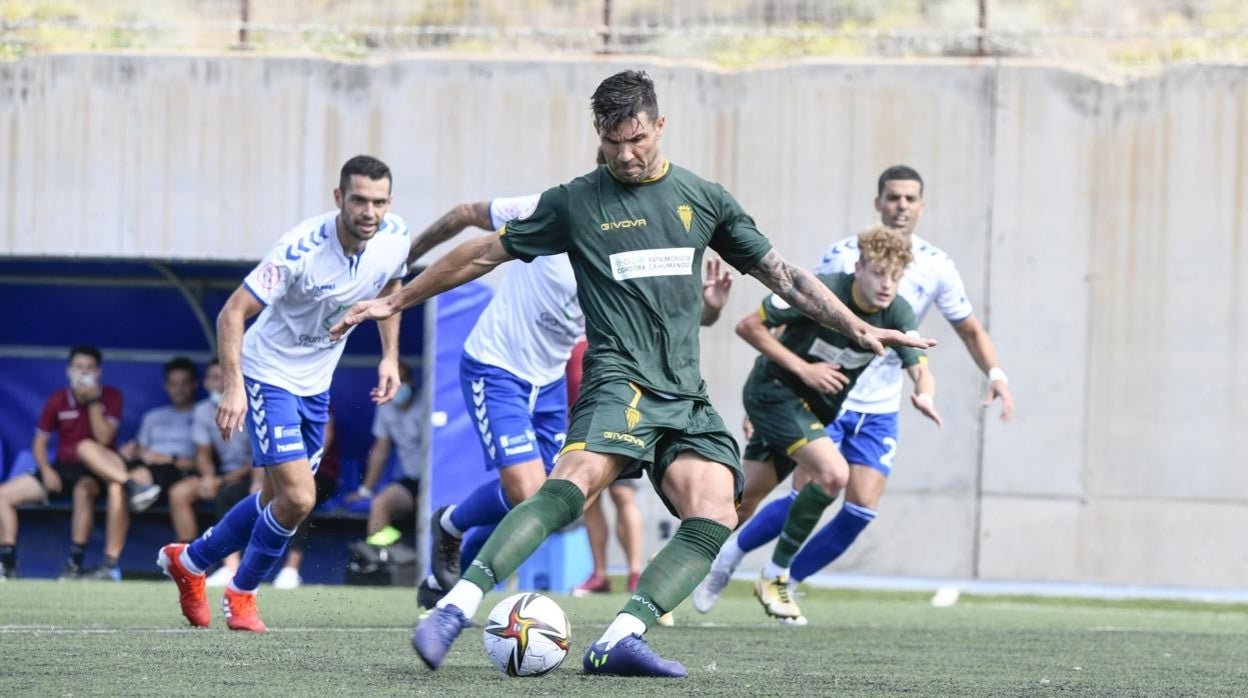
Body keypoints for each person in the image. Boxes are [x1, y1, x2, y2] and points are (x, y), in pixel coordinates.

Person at [331, 70, 934, 677]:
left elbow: (786, 276)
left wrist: (856, 327)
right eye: (614, 141)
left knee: (717, 510)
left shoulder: (704, 199)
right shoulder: (574, 201)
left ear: (660, 125)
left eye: (638, 139)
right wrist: (396, 299)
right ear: (599, 133)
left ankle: (619, 637)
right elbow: (483, 250)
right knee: (570, 487)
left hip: (685, 397)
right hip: (618, 381)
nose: (626, 154)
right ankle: (455, 608)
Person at [695, 164, 1015, 616]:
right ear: (878, 203)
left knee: (858, 507)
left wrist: (973, 379)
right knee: (792, 488)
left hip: (873, 404)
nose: (901, 206)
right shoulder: (840, 262)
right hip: (813, 395)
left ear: (922, 207)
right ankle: (719, 561)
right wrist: (776, 392)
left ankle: (779, 578)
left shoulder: (933, 270)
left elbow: (949, 340)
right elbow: (792, 320)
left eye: (910, 199)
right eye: (893, 197)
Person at [157, 155, 410, 632]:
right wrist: (234, 388)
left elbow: (393, 287)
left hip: (316, 384)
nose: (369, 212)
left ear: (389, 203)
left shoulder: (395, 237)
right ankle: (243, 590)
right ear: (339, 198)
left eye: (378, 202)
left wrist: (389, 355)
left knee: (277, 497)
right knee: (298, 497)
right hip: (267, 372)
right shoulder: (299, 249)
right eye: (359, 200)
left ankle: (189, 563)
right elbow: (232, 313)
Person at [734, 225, 941, 621]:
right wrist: (804, 370)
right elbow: (749, 326)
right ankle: (776, 575)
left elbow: (919, 365)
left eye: (895, 277)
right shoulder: (822, 289)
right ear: (858, 266)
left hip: (813, 408)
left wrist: (924, 392)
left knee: (736, 505)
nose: (886, 284)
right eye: (878, 273)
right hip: (775, 393)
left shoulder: (896, 309)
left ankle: (677, 575)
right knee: (832, 474)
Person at [573, 259, 731, 608]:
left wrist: (710, 307)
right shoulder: (578, 288)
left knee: (624, 496)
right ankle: (599, 572)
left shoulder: (638, 279)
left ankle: (634, 573)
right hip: (585, 411)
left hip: (631, 406)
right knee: (588, 498)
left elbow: (693, 319)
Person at [0, 346, 160, 581]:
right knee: (3, 495)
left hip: (98, 467)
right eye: (79, 367)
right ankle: (7, 563)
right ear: (69, 370)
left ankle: (76, 564)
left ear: (98, 372)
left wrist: (93, 400)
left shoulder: (111, 396)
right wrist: (45, 470)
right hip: (63, 468)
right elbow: (39, 444)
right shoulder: (57, 400)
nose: (83, 372)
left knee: (84, 484)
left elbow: (104, 438)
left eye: (89, 368)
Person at [169, 358, 258, 587]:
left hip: (256, 474)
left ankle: (230, 567)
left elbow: (260, 457)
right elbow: (202, 453)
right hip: (221, 474)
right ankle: (191, 563)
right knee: (179, 493)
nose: (215, 384)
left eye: (221, 378)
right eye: (212, 378)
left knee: (227, 493)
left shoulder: (253, 406)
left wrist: (222, 480)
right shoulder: (202, 410)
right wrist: (208, 477)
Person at [349, 362, 423, 549]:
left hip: (437, 480)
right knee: (380, 503)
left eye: (401, 381)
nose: (396, 387)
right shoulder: (385, 407)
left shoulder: (428, 405)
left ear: (411, 382)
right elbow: (380, 451)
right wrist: (364, 490)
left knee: (430, 509)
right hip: (412, 480)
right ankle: (376, 559)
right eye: (391, 382)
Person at [271, 409, 342, 589]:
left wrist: (297, 474)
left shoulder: (320, 404)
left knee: (301, 498)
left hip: (321, 474)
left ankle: (291, 568)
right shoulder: (278, 406)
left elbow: (322, 443)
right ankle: (235, 568)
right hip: (285, 476)